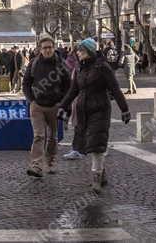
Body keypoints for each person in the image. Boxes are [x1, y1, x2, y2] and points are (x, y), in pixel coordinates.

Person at [58, 38, 130, 194]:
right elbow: (73, 91)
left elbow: (115, 89)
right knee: (90, 143)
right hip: (84, 111)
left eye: (81, 50)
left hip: (100, 110)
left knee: (96, 144)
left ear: (89, 51)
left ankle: (96, 178)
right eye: (78, 50)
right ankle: (101, 172)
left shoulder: (103, 67)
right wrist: (62, 106)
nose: (78, 53)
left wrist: (124, 109)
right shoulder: (79, 69)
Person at [23, 34, 70, 178]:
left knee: (53, 137)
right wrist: (32, 100)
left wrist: (62, 103)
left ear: (54, 48)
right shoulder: (33, 64)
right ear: (40, 49)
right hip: (37, 106)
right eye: (44, 48)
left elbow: (68, 86)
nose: (47, 50)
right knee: (38, 136)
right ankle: (36, 165)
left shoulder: (62, 65)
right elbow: (26, 84)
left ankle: (50, 162)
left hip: (54, 106)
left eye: (50, 47)